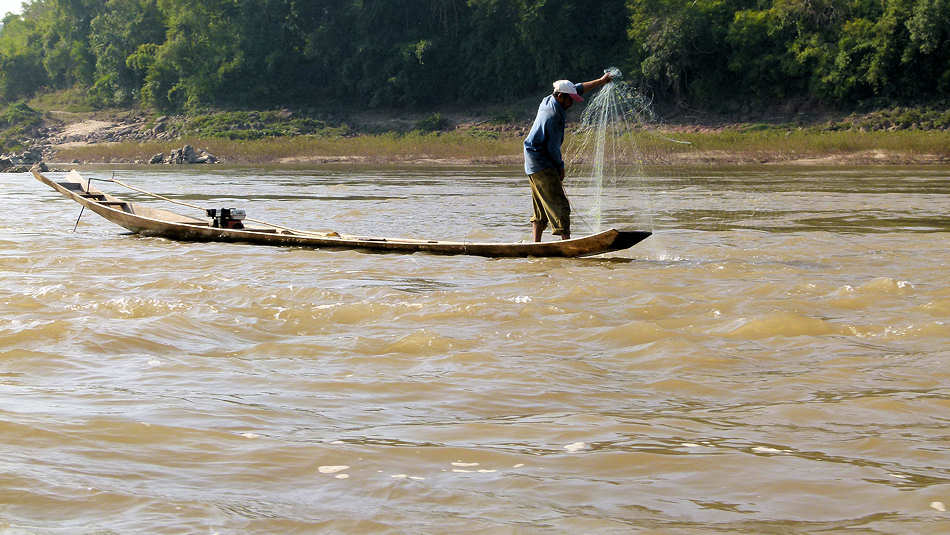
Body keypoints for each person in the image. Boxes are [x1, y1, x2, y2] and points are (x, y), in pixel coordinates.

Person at [523, 72, 613, 241]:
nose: (572, 103)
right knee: (561, 205)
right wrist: (560, 167)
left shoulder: (548, 99)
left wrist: (601, 81)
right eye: (570, 99)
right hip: (542, 161)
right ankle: (567, 242)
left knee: (540, 206)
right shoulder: (553, 116)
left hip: (531, 160)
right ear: (561, 96)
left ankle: (535, 244)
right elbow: (553, 148)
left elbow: (579, 88)